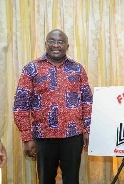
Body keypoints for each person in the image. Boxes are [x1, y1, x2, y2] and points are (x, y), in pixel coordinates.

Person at [13, 29, 93, 184]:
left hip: (73, 136)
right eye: (52, 41)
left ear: (67, 46)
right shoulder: (31, 69)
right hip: (43, 137)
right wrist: (26, 137)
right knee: (45, 180)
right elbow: (20, 106)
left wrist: (88, 130)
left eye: (60, 42)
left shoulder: (78, 69)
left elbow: (87, 101)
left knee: (71, 180)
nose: (56, 45)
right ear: (45, 44)